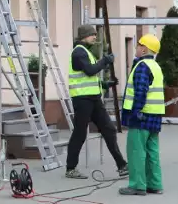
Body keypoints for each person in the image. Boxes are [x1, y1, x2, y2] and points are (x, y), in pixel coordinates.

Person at [65, 24, 128, 179]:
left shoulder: (86, 51)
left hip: (93, 99)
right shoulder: (79, 52)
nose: (95, 37)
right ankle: (70, 168)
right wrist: (105, 61)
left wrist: (106, 84)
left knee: (109, 129)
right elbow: (90, 70)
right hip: (82, 100)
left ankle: (122, 165)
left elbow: (90, 78)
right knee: (80, 133)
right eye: (92, 34)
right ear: (84, 36)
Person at [119, 34, 164, 196]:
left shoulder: (142, 66)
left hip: (141, 116)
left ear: (144, 49)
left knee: (136, 150)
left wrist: (136, 112)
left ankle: (137, 185)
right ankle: (155, 184)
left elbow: (140, 91)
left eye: (138, 45)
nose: (136, 48)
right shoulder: (156, 66)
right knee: (152, 151)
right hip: (155, 115)